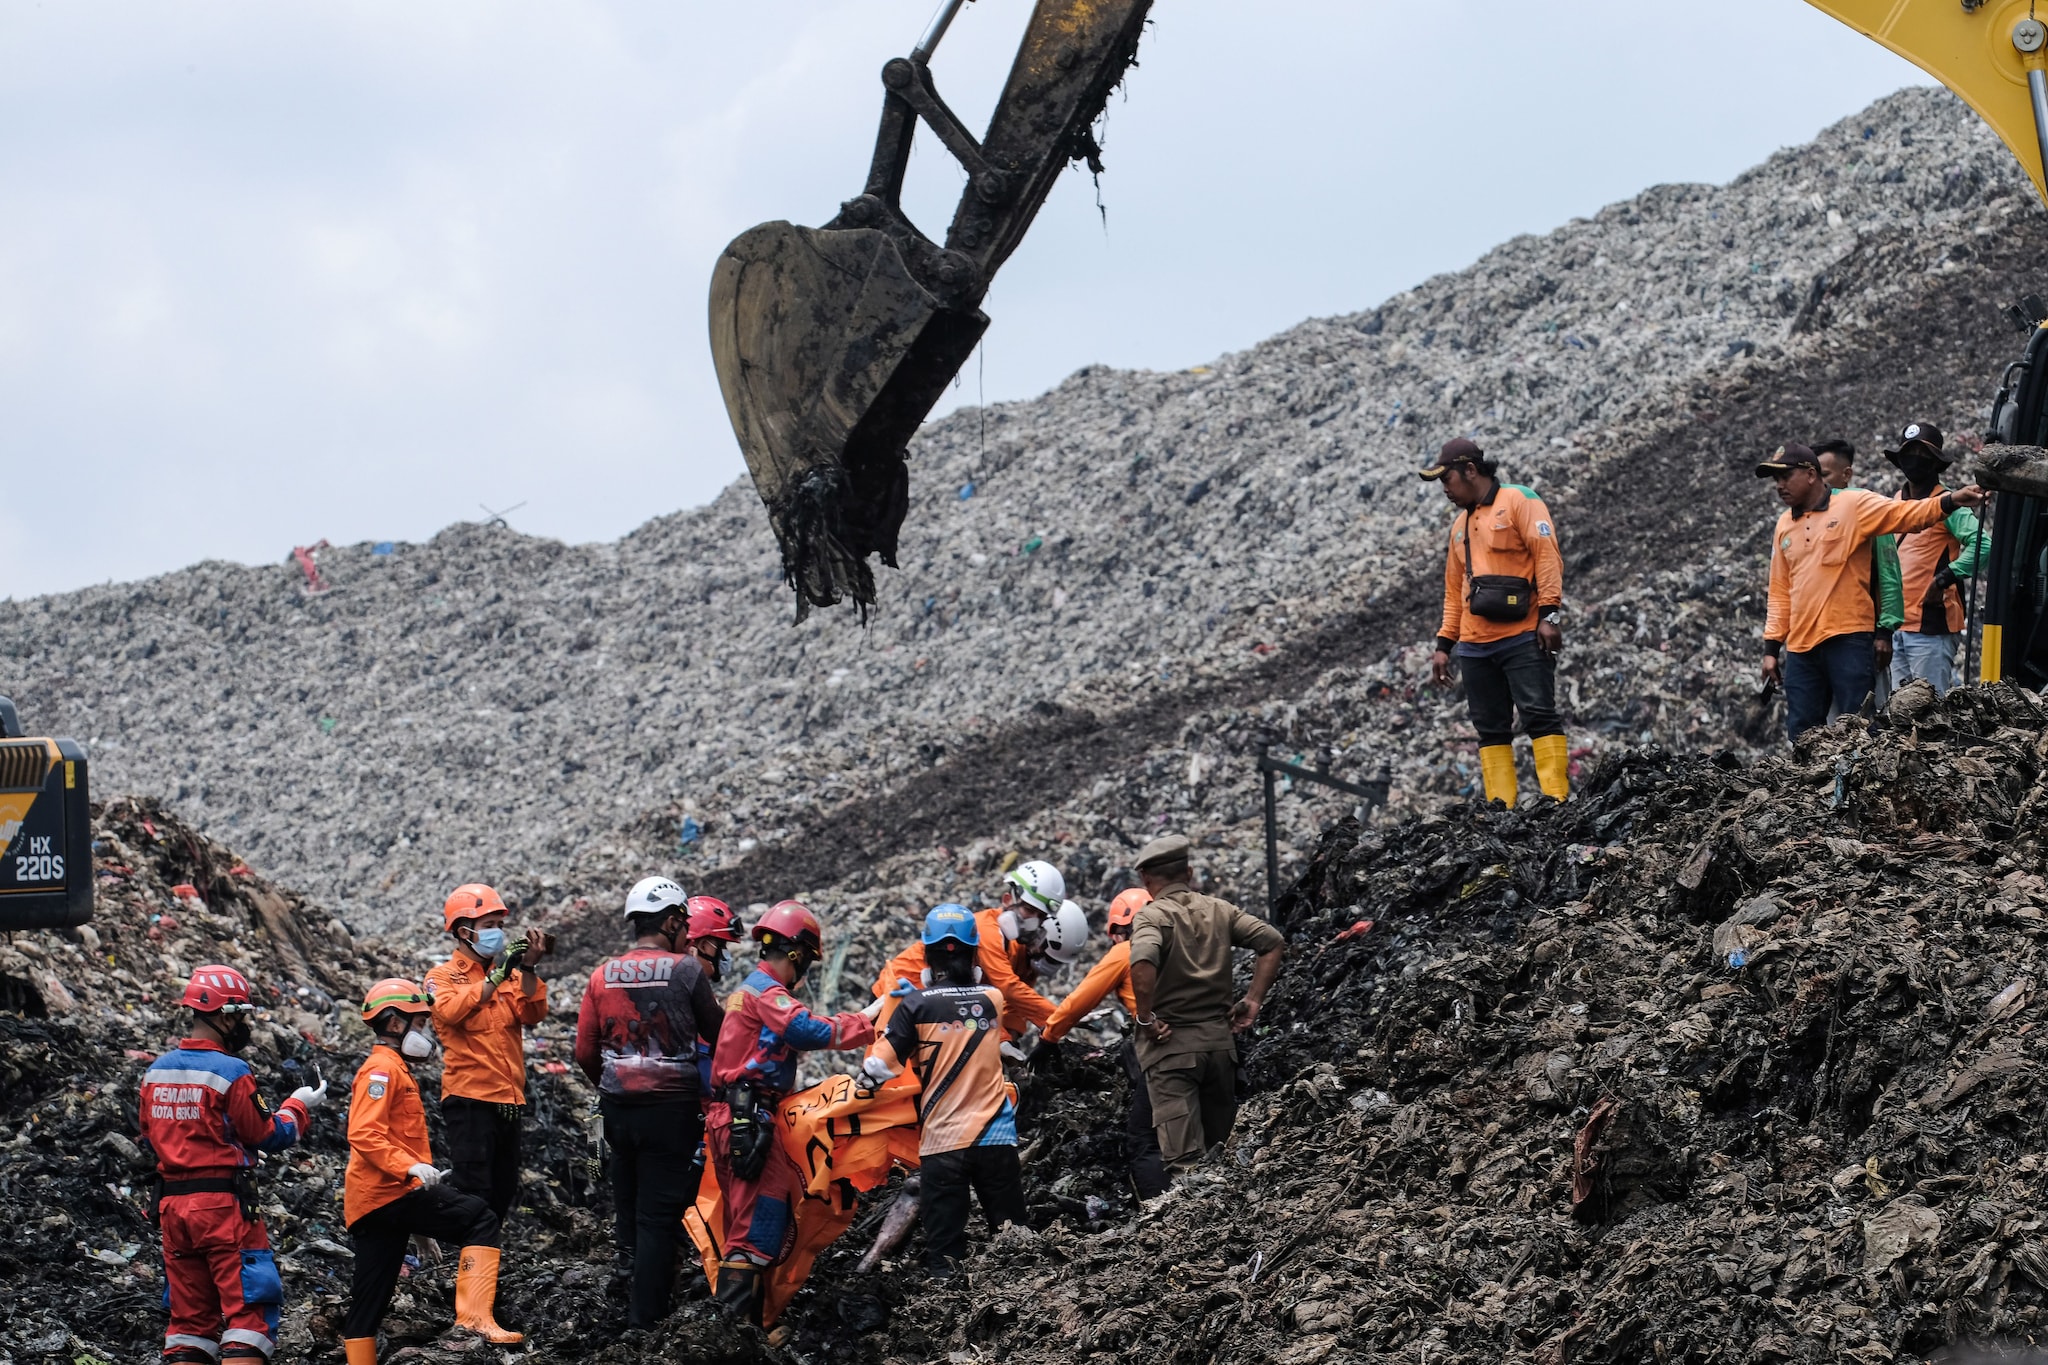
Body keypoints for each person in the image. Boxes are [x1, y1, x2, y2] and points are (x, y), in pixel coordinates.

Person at [708, 899, 886, 1322]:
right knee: (756, 1229)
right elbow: (805, 1030)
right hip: (747, 1119)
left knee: (745, 1227)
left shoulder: (745, 992)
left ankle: (746, 1330)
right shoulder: (765, 991)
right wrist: (865, 1020)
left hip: (734, 1116)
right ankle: (731, 1335)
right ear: (796, 953)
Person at [140, 965, 323, 1365]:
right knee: (248, 1316)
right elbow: (266, 1135)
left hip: (172, 1210)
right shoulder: (231, 1072)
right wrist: (298, 1107)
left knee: (188, 1322)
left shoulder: (156, 1072)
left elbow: (147, 1133)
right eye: (241, 1017)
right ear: (224, 1015)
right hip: (222, 1208)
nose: (244, 1026)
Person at [573, 876, 727, 1329]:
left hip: (617, 1111)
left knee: (628, 1201)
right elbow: (719, 1034)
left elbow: (584, 1051)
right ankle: (646, 1321)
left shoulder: (602, 974)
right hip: (670, 1112)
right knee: (658, 1217)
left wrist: (613, 1085)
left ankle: (626, 1289)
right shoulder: (686, 971)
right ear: (676, 921)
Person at [1758, 441, 1987, 741]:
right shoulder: (1784, 526)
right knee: (1802, 733)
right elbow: (1779, 591)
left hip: (1849, 638)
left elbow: (1908, 515)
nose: (1780, 486)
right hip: (1801, 648)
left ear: (1811, 474)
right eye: (1776, 480)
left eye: (1785, 477)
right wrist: (1771, 649)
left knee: (1859, 728)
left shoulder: (1854, 505)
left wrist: (1952, 500)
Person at [342, 979, 516, 1362]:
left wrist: (420, 1230)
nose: (423, 1033)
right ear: (392, 1024)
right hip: (389, 1194)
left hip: (372, 1204)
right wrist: (411, 1168)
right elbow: (363, 1133)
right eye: (418, 1023)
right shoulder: (381, 1072)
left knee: (370, 1298)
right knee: (481, 1218)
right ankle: (474, 1320)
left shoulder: (392, 1068)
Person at [858, 905, 1028, 1277]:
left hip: (944, 1145)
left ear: (927, 956)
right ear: (974, 955)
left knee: (946, 1250)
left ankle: (946, 1309)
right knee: (1017, 1240)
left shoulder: (914, 1005)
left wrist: (893, 1013)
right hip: (997, 1140)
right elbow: (968, 1010)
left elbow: (879, 1068)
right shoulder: (992, 1000)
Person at [1421, 437, 1571, 806]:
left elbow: (1546, 557)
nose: (1444, 489)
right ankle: (1500, 809)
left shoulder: (1520, 501)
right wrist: (1444, 645)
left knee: (1538, 714)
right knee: (1489, 729)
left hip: (1522, 635)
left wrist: (1548, 614)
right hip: (1474, 646)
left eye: (1447, 479)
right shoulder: (1459, 527)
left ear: (1470, 470)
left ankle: (1557, 800)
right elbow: (1454, 591)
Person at [1127, 836, 1285, 1180]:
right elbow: (1271, 942)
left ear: (1145, 879)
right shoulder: (1220, 909)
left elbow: (1142, 961)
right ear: (1189, 871)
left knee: (1186, 1165)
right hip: (1218, 1049)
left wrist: (1146, 1017)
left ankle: (1194, 1230)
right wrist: (1253, 999)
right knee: (1222, 1153)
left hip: (1171, 1053)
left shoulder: (1151, 917)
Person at [426, 883, 551, 1226]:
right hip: (470, 1100)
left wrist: (528, 968)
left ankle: (485, 1265)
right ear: (465, 932)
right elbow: (450, 1011)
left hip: (509, 1100)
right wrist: (497, 975)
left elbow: (533, 1013)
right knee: (473, 1192)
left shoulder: (510, 973)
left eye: (499, 924)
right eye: (489, 926)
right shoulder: (442, 977)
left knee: (503, 1192)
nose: (497, 933)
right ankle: (469, 1268)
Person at [1041, 887, 1167, 1198]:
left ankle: (1165, 1215)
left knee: (1144, 1139)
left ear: (1123, 927)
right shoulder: (1186, 941)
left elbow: (1080, 1000)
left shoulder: (1127, 951)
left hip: (1166, 1051)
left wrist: (1049, 1037)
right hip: (1213, 1044)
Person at [869, 860, 1067, 1037]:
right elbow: (1008, 988)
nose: (1033, 921)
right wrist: (1061, 1018)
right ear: (1008, 900)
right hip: (896, 994)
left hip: (933, 1002)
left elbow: (1009, 1005)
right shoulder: (987, 931)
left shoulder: (1015, 948)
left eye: (1040, 917)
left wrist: (1009, 1039)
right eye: (1030, 910)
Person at [1883, 421, 1992, 695]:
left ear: (1936, 463)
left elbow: (1983, 544)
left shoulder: (1950, 503)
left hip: (1932, 625)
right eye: (1910, 454)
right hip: (1895, 626)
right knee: (1898, 713)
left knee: (1930, 711)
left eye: (1923, 455)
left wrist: (1943, 579)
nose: (1915, 461)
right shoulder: (1893, 502)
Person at [1814, 438, 1904, 689]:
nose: (1818, 483)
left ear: (1847, 474)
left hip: (1859, 636)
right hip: (1816, 639)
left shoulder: (1866, 512)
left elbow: (1889, 574)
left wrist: (1885, 631)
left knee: (1862, 716)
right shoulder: (1806, 521)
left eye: (1825, 475)